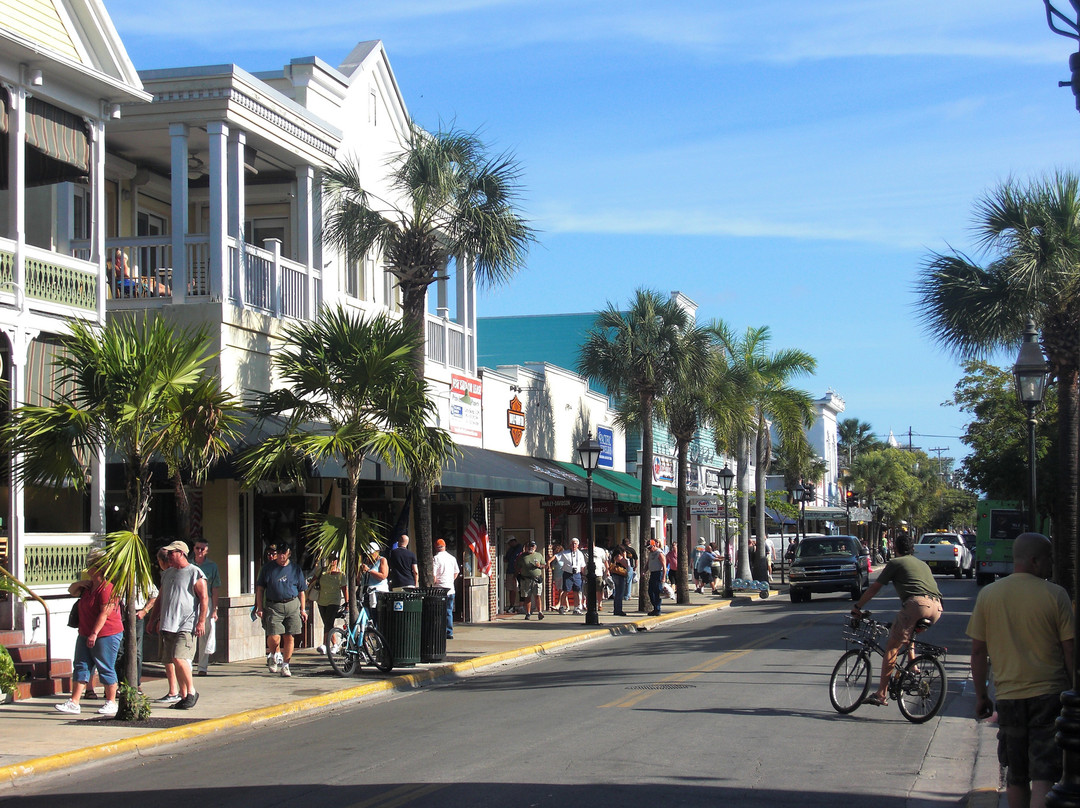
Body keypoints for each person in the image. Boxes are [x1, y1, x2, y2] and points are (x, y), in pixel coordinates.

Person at [968, 533, 1074, 808]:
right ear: (1035, 561)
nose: (1051, 564)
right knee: (1044, 773)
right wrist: (1075, 689)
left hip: (1009, 696)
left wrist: (981, 696)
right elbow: (1069, 649)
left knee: (1016, 774)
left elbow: (979, 651)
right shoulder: (1056, 595)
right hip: (1049, 693)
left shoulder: (989, 595)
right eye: (1048, 558)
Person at [851, 532, 943, 707]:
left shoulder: (895, 563)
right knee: (908, 634)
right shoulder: (922, 564)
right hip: (937, 607)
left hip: (917, 604)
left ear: (895, 547)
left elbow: (874, 589)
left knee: (892, 646)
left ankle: (881, 694)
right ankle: (913, 667)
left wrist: (858, 607)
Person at [55, 549, 124, 717]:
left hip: (106, 634)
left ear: (97, 567)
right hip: (85, 632)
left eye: (89, 564)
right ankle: (74, 702)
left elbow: (104, 613)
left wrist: (94, 633)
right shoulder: (88, 586)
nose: (87, 567)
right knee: (81, 665)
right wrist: (79, 584)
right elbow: (71, 591)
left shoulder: (107, 588)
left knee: (105, 665)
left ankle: (111, 701)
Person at [152, 540, 208, 710]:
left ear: (181, 553)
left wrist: (201, 621)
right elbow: (160, 598)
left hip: (186, 623)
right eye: (168, 553)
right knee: (173, 661)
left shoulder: (194, 572)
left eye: (172, 553)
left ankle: (192, 692)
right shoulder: (167, 574)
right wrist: (153, 619)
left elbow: (204, 598)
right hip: (169, 624)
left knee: (179, 657)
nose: (169, 556)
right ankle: (183, 695)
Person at [254, 542, 307, 678]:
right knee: (274, 636)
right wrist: (259, 607)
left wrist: (303, 609)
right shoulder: (268, 569)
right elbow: (260, 589)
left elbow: (301, 591)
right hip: (273, 606)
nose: (281, 556)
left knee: (289, 636)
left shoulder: (295, 569)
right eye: (279, 553)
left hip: (292, 604)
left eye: (284, 552)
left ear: (289, 553)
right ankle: (273, 654)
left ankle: (285, 665)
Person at [191, 538, 221, 676]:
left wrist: (215, 609)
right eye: (198, 548)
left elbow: (215, 588)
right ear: (194, 549)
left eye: (202, 549)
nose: (200, 551)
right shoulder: (188, 564)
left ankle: (202, 667)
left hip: (206, 602)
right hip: (190, 601)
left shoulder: (212, 566)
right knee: (189, 633)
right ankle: (188, 664)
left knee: (205, 634)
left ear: (207, 550)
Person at [312, 551, 348, 655]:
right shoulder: (321, 571)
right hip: (322, 600)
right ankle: (335, 644)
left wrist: (347, 603)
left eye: (334, 559)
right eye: (330, 558)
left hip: (334, 601)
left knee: (328, 622)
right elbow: (313, 582)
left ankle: (324, 645)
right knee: (328, 623)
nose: (332, 561)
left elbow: (345, 589)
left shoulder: (341, 574)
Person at [432, 539, 460, 638]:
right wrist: (450, 580)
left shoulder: (436, 558)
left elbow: (433, 574)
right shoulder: (452, 558)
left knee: (438, 612)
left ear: (436, 547)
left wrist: (435, 582)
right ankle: (449, 632)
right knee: (448, 611)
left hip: (439, 588)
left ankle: (439, 631)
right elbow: (456, 572)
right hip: (450, 588)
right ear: (445, 546)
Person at [515, 540, 546, 620]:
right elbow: (518, 567)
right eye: (529, 546)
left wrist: (540, 566)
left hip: (536, 579)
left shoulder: (539, 555)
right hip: (526, 579)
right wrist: (515, 576)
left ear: (535, 547)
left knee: (537, 596)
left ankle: (540, 612)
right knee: (527, 596)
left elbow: (545, 565)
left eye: (532, 546)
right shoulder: (522, 556)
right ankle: (528, 613)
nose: (530, 548)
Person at [557, 538, 587, 615]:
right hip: (568, 573)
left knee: (577, 591)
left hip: (577, 574)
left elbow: (582, 565)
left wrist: (583, 574)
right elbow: (557, 556)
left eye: (575, 544)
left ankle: (576, 608)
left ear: (578, 545)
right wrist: (549, 560)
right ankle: (561, 607)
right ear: (570, 544)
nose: (574, 545)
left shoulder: (580, 554)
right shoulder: (565, 553)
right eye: (573, 543)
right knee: (566, 590)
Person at [646, 538, 667, 616]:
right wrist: (644, 571)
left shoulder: (659, 553)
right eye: (648, 548)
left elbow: (664, 566)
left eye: (650, 547)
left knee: (657, 591)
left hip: (659, 573)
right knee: (650, 591)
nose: (649, 549)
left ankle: (657, 609)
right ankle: (655, 607)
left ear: (654, 545)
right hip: (653, 573)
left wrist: (664, 577)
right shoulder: (650, 553)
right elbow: (648, 563)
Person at [503, 538, 522, 613]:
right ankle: (512, 606)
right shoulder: (510, 550)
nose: (509, 544)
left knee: (521, 589)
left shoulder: (520, 549)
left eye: (510, 542)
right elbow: (506, 559)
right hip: (510, 571)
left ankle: (521, 606)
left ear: (514, 541)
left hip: (519, 572)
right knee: (512, 589)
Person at [609, 545, 630, 616]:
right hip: (619, 575)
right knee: (620, 593)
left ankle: (617, 609)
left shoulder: (614, 556)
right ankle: (618, 609)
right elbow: (627, 565)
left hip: (616, 575)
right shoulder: (619, 557)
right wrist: (625, 557)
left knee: (618, 593)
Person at [547, 541, 565, 614]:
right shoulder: (558, 556)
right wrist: (550, 568)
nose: (554, 551)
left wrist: (549, 568)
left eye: (554, 549)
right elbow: (550, 562)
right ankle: (566, 606)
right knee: (562, 591)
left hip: (561, 575)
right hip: (557, 575)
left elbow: (548, 561)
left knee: (562, 590)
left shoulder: (559, 555)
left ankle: (559, 605)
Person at [620, 538, 638, 602]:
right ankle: (627, 596)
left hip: (621, 567)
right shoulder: (631, 550)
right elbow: (636, 558)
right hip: (629, 567)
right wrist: (635, 566)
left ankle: (621, 595)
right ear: (629, 543)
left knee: (621, 581)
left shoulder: (620, 549)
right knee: (628, 582)